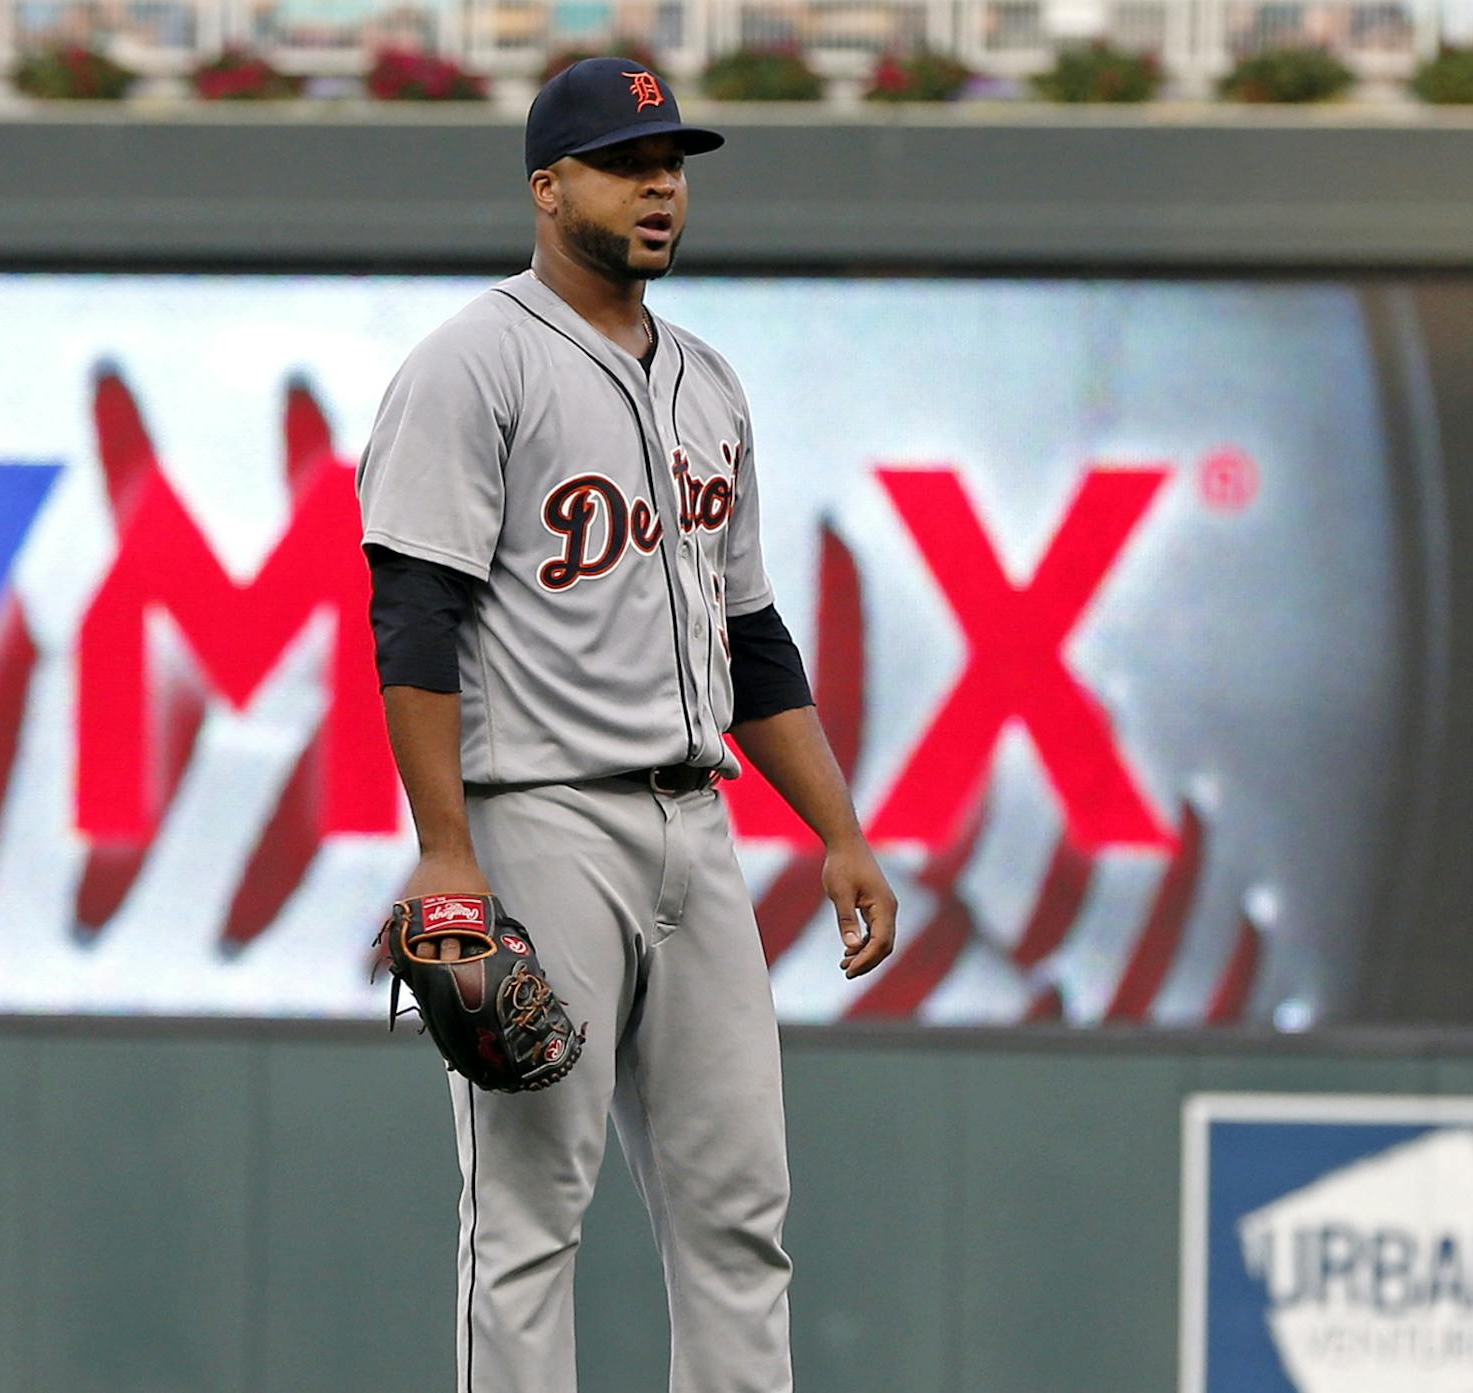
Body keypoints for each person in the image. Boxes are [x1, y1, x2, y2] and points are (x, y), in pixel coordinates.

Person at [354, 57, 898, 1393]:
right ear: (549, 187)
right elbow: (412, 617)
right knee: (531, 1218)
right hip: (538, 816)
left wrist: (837, 829)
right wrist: (445, 851)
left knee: (739, 1212)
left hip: (696, 822)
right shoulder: (472, 365)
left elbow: (752, 634)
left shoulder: (711, 382)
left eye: (673, 164)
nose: (661, 188)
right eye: (624, 163)